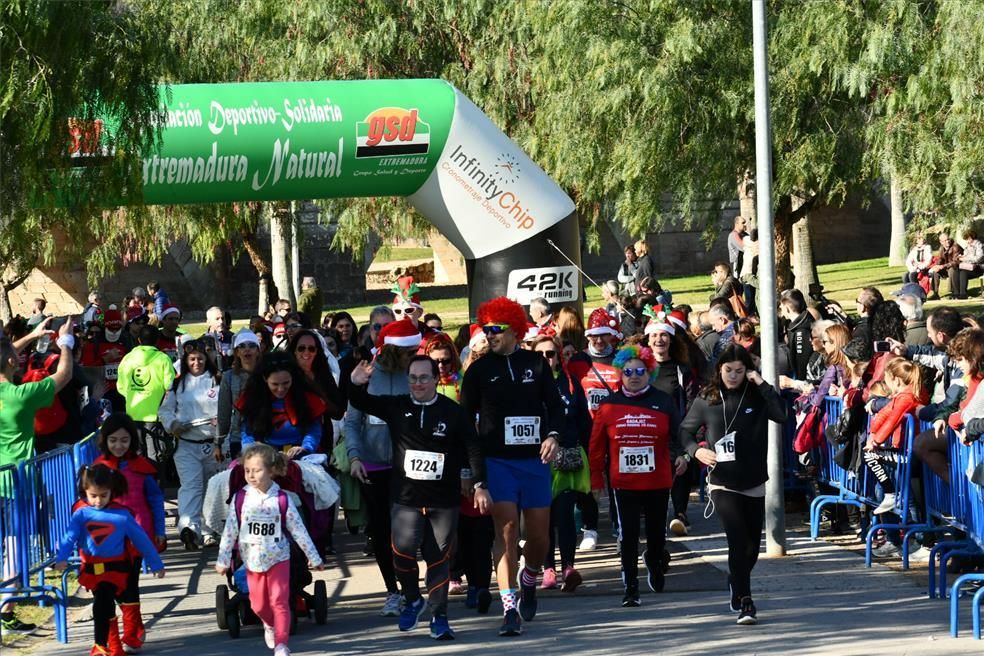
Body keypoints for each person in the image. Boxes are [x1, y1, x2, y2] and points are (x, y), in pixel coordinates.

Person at [349, 354, 490, 640]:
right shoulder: (397, 406)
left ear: (436, 379)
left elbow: (472, 447)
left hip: (443, 500)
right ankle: (413, 598)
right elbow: (361, 403)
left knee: (439, 560)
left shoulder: (453, 412)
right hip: (406, 499)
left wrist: (479, 484)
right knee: (401, 552)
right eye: (412, 378)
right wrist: (355, 384)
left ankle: (440, 617)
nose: (417, 383)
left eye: (424, 377)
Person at [459, 297, 563, 637]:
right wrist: (472, 473)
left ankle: (530, 577)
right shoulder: (478, 370)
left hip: (534, 462)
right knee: (505, 532)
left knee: (539, 538)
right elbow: (465, 421)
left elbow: (555, 407)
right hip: (497, 461)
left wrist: (553, 435)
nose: (489, 335)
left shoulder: (536, 363)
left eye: (496, 330)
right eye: (486, 329)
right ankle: (509, 608)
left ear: (514, 330)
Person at [679, 344, 788, 626]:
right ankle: (746, 601)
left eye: (740, 371)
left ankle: (735, 580)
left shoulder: (756, 395)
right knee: (737, 541)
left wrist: (761, 381)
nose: (734, 375)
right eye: (729, 370)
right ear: (719, 369)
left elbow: (781, 414)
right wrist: (695, 450)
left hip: (753, 480)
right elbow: (684, 430)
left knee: (752, 548)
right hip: (722, 482)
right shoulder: (707, 398)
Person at [589, 344, 684, 607]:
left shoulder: (663, 401)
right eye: (628, 371)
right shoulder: (609, 405)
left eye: (640, 371)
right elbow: (596, 446)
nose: (633, 376)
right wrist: (596, 479)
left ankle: (654, 561)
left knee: (656, 534)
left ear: (649, 373)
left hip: (657, 480)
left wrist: (682, 455)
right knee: (627, 535)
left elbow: (679, 434)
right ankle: (631, 587)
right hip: (624, 482)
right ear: (620, 373)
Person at [0, 319, 74, 636]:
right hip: (18, 485)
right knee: (17, 553)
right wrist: (66, 342)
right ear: (11, 362)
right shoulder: (21, 396)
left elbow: (4, 355)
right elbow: (64, 375)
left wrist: (30, 335)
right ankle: (5, 609)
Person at [215, 444, 324, 656]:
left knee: (280, 601)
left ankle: (282, 644)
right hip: (252, 560)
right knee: (258, 605)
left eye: (257, 470)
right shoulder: (240, 499)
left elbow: (299, 530)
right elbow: (230, 530)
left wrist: (314, 556)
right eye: (247, 471)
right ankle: (269, 624)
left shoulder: (282, 499)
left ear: (271, 470)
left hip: (279, 557)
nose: (251, 475)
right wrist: (223, 559)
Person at [344, 319, 417, 616]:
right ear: (394, 350)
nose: (414, 356)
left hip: (406, 466)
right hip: (372, 466)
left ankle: (411, 588)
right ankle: (392, 591)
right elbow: (352, 422)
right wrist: (355, 457)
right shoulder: (367, 375)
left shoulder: (413, 374)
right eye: (409, 352)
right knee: (381, 530)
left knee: (407, 532)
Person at [52, 464, 165, 656]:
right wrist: (61, 558)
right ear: (84, 491)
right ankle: (112, 647)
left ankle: (104, 644)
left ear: (112, 491)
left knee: (106, 602)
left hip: (117, 570)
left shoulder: (122, 515)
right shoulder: (81, 514)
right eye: (93, 496)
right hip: (92, 569)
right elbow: (69, 537)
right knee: (104, 603)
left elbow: (142, 540)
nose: (98, 501)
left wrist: (156, 563)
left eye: (103, 495)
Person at [92, 413, 166, 653]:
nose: (119, 445)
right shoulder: (97, 469)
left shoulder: (142, 468)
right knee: (108, 590)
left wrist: (160, 532)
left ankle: (132, 630)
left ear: (132, 441)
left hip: (137, 535)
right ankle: (116, 639)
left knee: (129, 583)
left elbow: (155, 500)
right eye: (113, 440)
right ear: (105, 440)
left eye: (124, 440)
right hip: (106, 539)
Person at [532, 335, 589, 593]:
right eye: (541, 354)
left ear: (559, 356)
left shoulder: (570, 384)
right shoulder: (526, 385)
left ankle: (568, 567)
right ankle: (548, 569)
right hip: (535, 461)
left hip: (565, 457)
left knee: (565, 514)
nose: (546, 359)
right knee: (542, 518)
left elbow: (584, 423)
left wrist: (589, 454)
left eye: (551, 354)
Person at [566, 308, 623, 550]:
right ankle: (590, 529)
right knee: (588, 482)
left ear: (611, 336)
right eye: (593, 336)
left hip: (616, 430)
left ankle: (620, 526)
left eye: (603, 335)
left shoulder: (621, 358)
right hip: (587, 430)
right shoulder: (578, 361)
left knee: (617, 479)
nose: (598, 341)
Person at [158, 340, 221, 550]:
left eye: (200, 359)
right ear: (185, 361)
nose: (197, 363)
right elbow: (164, 411)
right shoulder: (177, 384)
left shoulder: (217, 380)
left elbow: (228, 409)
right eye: (192, 359)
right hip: (186, 445)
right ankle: (189, 529)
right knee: (192, 487)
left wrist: (220, 423)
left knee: (211, 488)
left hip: (213, 445)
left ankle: (209, 530)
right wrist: (173, 424)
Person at [644, 309, 699, 536]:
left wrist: (689, 430)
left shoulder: (681, 369)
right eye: (655, 335)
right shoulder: (641, 368)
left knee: (680, 467)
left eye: (664, 335)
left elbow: (691, 399)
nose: (659, 339)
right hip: (646, 430)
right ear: (648, 339)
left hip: (676, 429)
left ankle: (680, 514)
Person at [864, 359, 922, 520]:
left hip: (909, 453)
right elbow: (885, 413)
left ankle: (890, 494)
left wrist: (876, 442)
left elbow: (893, 420)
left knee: (910, 499)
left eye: (887, 379)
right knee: (909, 497)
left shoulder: (907, 397)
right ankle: (890, 494)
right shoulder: (900, 396)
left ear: (895, 380)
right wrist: (873, 433)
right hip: (902, 450)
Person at [217, 329, 261, 461]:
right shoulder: (229, 376)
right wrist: (218, 442)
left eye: (252, 346)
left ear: (258, 351)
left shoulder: (267, 373)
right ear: (236, 351)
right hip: (238, 436)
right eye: (242, 346)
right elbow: (223, 411)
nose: (247, 350)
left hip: (266, 434)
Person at [779, 289, 815, 381]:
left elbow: (802, 361)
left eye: (781, 306)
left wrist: (800, 383)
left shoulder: (801, 331)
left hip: (805, 379)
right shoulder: (794, 325)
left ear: (787, 308)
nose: (780, 308)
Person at [949, 230, 984, 300]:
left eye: (968, 239)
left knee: (963, 271)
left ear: (972, 238)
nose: (967, 241)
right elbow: (966, 255)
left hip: (978, 267)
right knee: (956, 270)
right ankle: (956, 293)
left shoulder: (979, 245)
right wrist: (961, 257)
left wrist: (965, 259)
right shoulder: (967, 246)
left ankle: (963, 294)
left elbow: (979, 258)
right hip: (969, 267)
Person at [929, 233, 962, 300]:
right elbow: (940, 259)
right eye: (945, 240)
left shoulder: (955, 246)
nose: (947, 241)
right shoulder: (941, 248)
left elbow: (956, 262)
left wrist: (943, 266)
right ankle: (935, 293)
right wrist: (937, 266)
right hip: (947, 267)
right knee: (935, 272)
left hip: (958, 268)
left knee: (952, 270)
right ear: (941, 242)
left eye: (948, 239)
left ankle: (956, 293)